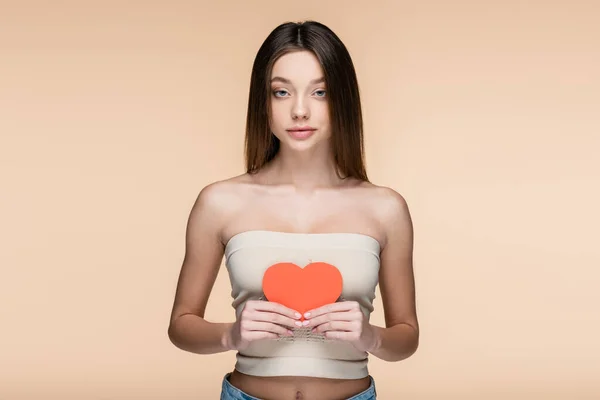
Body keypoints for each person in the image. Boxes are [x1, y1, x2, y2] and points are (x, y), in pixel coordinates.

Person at [167, 20, 419, 400]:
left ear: (343, 100)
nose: (300, 111)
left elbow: (406, 336)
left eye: (320, 92)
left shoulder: (386, 208)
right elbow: (181, 325)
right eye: (281, 92)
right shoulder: (219, 202)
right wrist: (229, 334)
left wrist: (371, 336)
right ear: (262, 102)